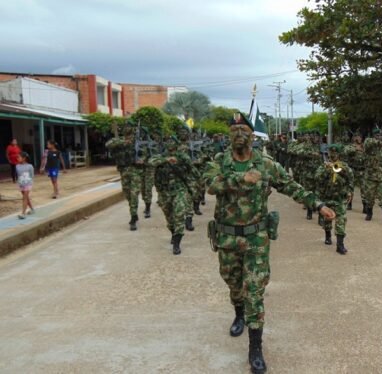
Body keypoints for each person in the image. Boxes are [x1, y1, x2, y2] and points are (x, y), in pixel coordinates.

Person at [204, 112, 335, 374]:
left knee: (254, 289)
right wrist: (241, 179)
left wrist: (318, 205)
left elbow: (291, 186)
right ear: (229, 136)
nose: (239, 135)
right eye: (234, 131)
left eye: (244, 131)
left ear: (253, 136)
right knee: (232, 282)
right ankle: (238, 312)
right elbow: (209, 185)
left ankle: (255, 348)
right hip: (228, 237)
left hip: (256, 238)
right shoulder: (220, 161)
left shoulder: (266, 164)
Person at [150, 136, 194, 254]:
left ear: (176, 144)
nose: (169, 143)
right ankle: (174, 233)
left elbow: (190, 167)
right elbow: (151, 162)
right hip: (164, 191)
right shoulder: (160, 156)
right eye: (167, 141)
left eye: (172, 142)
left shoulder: (183, 156)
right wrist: (167, 160)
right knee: (169, 217)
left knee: (179, 214)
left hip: (179, 190)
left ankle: (177, 243)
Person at [315, 144, 354, 254]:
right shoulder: (323, 166)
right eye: (331, 153)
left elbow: (350, 179)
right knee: (327, 218)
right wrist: (326, 170)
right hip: (326, 196)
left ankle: (340, 245)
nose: (333, 155)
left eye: (335, 153)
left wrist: (350, 192)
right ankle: (328, 236)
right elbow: (317, 178)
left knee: (341, 219)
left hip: (340, 198)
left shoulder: (344, 166)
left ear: (339, 154)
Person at [106, 126, 144, 231]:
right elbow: (108, 145)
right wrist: (123, 143)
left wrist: (142, 160)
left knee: (134, 193)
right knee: (127, 193)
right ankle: (134, 212)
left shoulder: (137, 141)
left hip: (135, 170)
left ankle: (133, 218)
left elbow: (146, 153)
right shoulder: (118, 140)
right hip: (123, 171)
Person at [343, 132, 367, 212]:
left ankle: (365, 206)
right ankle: (349, 204)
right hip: (353, 169)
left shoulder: (364, 146)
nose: (359, 138)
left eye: (360, 137)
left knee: (364, 188)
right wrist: (356, 148)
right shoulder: (350, 146)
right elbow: (346, 151)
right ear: (354, 138)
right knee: (350, 187)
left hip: (362, 170)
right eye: (358, 137)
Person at [16, 152, 35, 219]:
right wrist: (18, 183)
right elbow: (18, 176)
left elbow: (32, 176)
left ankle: (23, 213)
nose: (17, 158)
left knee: (24, 198)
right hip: (21, 184)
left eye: (19, 157)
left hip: (28, 184)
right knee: (26, 197)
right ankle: (32, 209)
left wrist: (29, 183)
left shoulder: (30, 166)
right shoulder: (17, 166)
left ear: (24, 158)